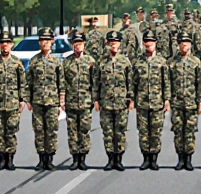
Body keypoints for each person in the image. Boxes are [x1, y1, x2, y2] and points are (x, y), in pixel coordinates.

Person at [0, 30, 25, 171]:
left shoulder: (17, 63)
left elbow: (22, 83)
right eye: (2, 43)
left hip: (13, 104)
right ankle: (2, 159)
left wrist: (22, 100)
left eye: (7, 43)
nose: (5, 45)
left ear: (12, 44)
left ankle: (10, 159)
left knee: (11, 133)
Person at [131, 30, 170, 170]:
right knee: (143, 132)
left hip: (157, 102)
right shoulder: (137, 62)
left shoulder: (161, 62)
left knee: (155, 132)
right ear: (143, 43)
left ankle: (154, 159)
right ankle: (145, 158)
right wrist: (132, 99)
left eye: (151, 43)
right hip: (142, 102)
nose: (149, 46)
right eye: (146, 44)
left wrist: (167, 99)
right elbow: (133, 83)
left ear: (155, 43)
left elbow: (166, 82)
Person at [26, 28, 64, 171]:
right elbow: (28, 81)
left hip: (52, 102)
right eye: (43, 40)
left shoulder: (56, 61)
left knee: (51, 130)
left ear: (52, 42)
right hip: (37, 102)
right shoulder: (34, 61)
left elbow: (61, 82)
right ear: (39, 42)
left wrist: (61, 100)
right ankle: (41, 158)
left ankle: (50, 159)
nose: (45, 43)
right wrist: (27, 99)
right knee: (39, 131)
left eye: (48, 40)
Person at [97, 30, 134, 171]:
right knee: (107, 133)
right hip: (106, 103)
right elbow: (96, 82)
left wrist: (131, 99)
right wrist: (96, 99)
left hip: (121, 103)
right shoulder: (102, 62)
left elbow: (130, 82)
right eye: (111, 42)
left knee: (120, 132)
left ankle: (118, 160)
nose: (113, 45)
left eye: (116, 42)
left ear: (120, 44)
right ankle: (110, 159)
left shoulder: (125, 62)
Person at [61, 30, 98, 170]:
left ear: (84, 45)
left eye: (80, 44)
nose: (77, 46)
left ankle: (83, 158)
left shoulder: (90, 61)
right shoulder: (67, 62)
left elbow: (95, 82)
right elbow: (62, 82)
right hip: (71, 102)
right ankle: (75, 158)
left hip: (86, 102)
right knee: (72, 132)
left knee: (84, 131)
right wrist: (62, 99)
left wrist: (95, 99)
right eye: (75, 44)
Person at [168, 32, 201, 170]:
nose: (184, 45)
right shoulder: (172, 62)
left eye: (187, 42)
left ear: (190, 44)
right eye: (182, 43)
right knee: (178, 131)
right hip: (176, 102)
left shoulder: (196, 62)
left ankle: (188, 159)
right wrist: (168, 99)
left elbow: (200, 83)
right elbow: (168, 82)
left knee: (189, 131)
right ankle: (180, 159)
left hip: (191, 102)